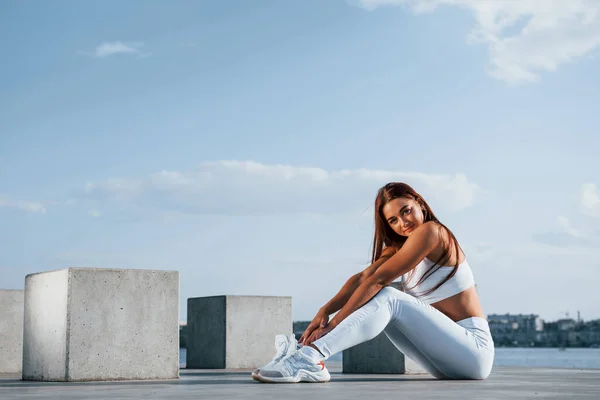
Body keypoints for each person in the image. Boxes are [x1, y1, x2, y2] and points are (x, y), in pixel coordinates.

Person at [253, 182, 494, 383]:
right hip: (445, 364)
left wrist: (333, 325)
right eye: (393, 220)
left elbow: (379, 281)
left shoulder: (432, 231)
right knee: (380, 296)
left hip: (474, 351)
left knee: (389, 298)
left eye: (406, 210)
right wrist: (324, 311)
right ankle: (307, 354)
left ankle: (311, 356)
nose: (403, 222)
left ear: (419, 203)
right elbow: (364, 278)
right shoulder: (399, 247)